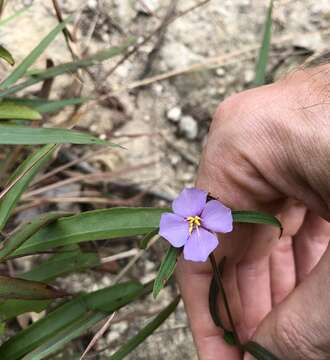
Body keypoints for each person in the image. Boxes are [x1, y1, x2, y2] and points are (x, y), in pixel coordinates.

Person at [176, 63, 330, 360]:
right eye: (192, 220)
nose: (194, 221)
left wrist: (293, 344)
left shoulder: (210, 219)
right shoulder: (195, 228)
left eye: (196, 219)